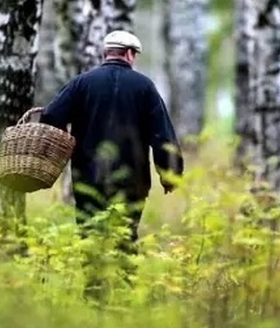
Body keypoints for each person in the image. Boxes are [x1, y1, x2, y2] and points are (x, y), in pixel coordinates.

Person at [40, 30, 184, 251]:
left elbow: (50, 115)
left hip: (88, 178)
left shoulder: (81, 83)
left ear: (106, 54)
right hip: (132, 181)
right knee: (125, 240)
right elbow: (162, 136)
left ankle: (93, 284)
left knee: (89, 238)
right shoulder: (145, 87)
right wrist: (169, 174)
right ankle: (122, 283)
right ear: (128, 54)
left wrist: (62, 146)